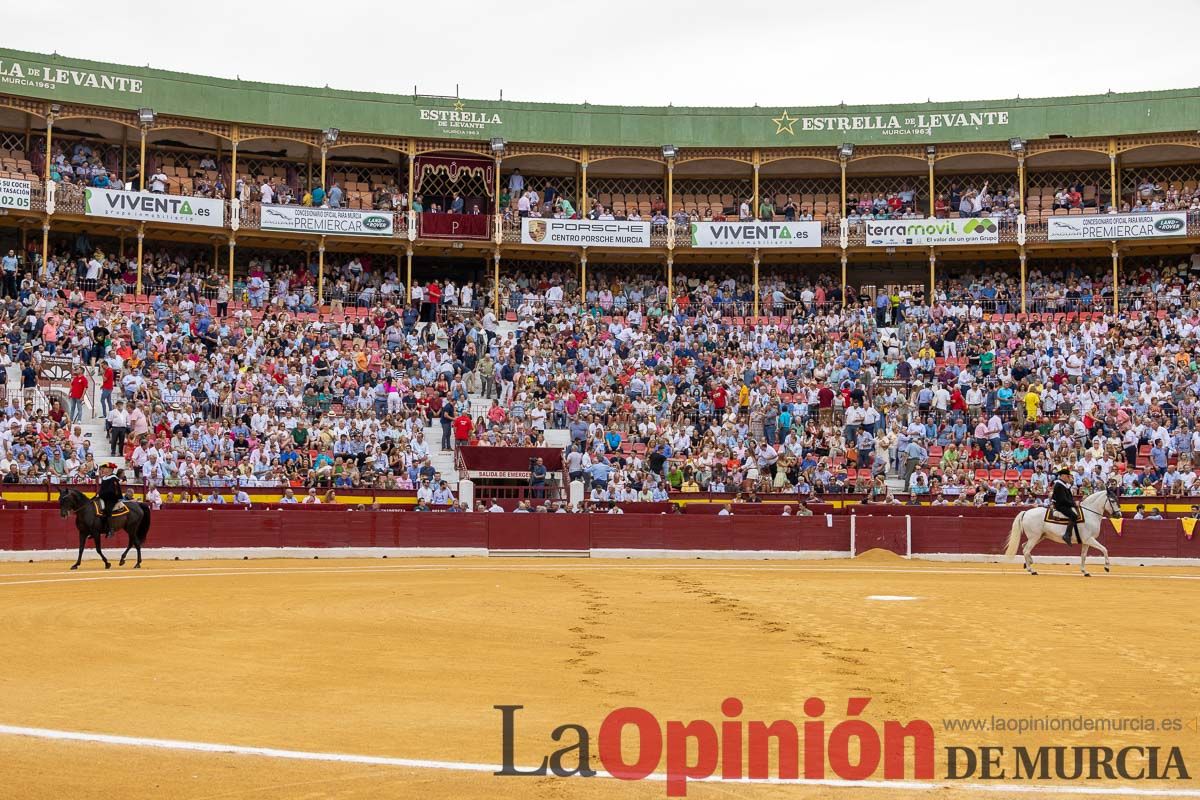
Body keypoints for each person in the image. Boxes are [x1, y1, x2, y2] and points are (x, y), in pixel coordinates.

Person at [1052, 466, 1080, 545]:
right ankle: (1067, 535)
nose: (1069, 478)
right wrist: (1074, 504)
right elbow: (1063, 500)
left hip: (1064, 504)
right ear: (1063, 476)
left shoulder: (1063, 484)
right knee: (1073, 516)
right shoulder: (1059, 485)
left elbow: (1069, 497)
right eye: (1068, 476)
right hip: (1060, 506)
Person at [96, 463, 122, 537]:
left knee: (108, 510)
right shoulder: (105, 478)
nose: (103, 470)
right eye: (103, 468)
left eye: (105, 468)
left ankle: (111, 529)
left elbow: (111, 491)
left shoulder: (113, 478)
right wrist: (99, 494)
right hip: (104, 497)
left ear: (110, 470)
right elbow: (103, 489)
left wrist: (101, 494)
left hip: (112, 498)